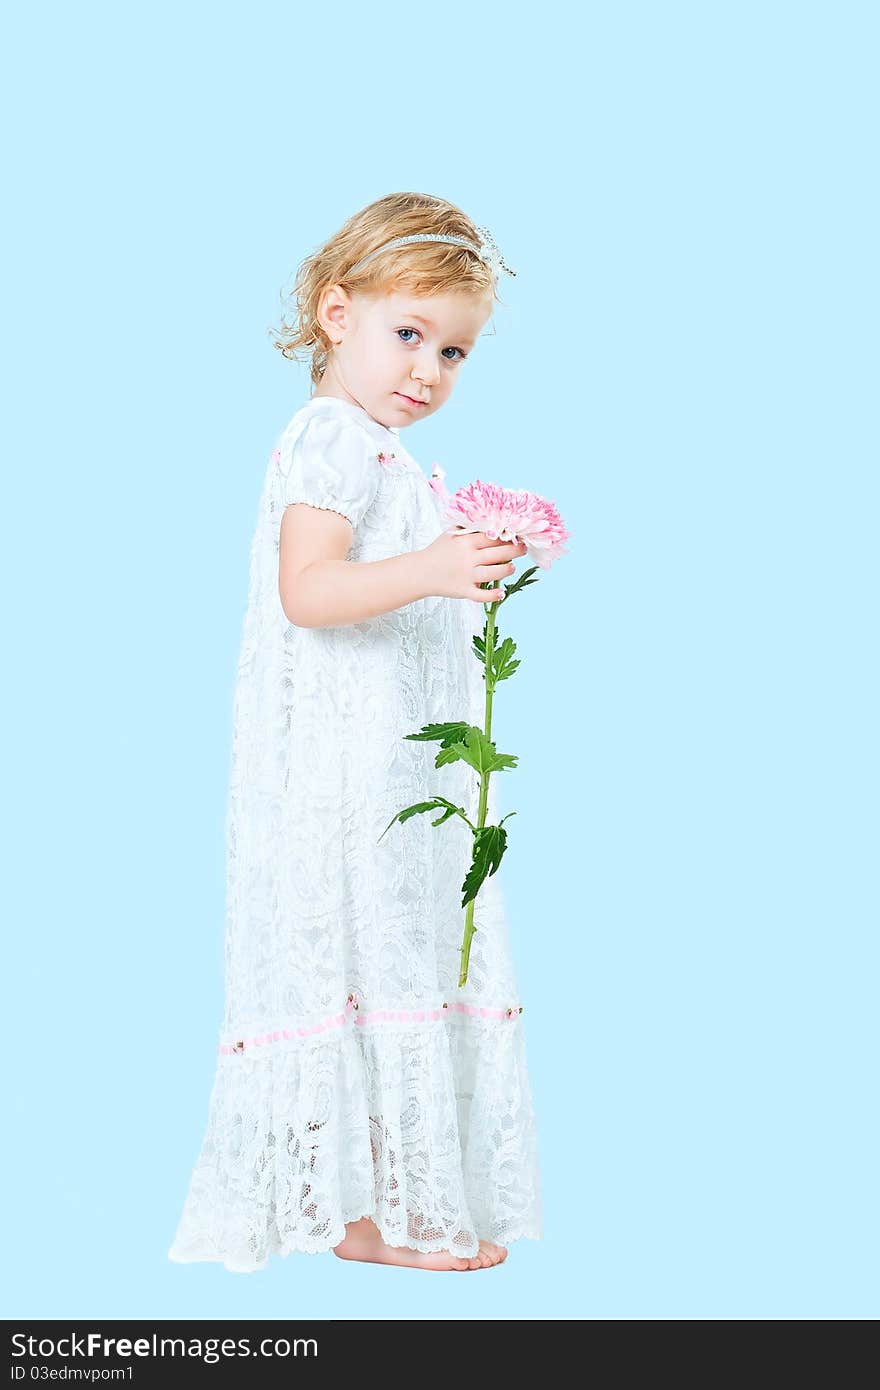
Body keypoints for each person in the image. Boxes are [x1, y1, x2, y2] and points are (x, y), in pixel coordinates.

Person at [167, 192, 543, 1274]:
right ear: (337, 315)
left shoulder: (383, 452)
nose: (429, 370)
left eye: (455, 349)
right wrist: (431, 568)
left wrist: (462, 568)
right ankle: (377, 1218)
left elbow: (387, 595)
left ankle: (372, 1211)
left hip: (386, 763)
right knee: (362, 950)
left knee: (392, 956)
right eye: (409, 334)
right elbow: (309, 590)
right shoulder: (331, 437)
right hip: (339, 772)